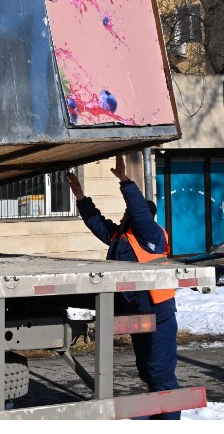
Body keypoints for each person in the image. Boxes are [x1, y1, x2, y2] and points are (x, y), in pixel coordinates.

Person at [76, 153, 181, 419]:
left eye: (128, 213)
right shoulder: (122, 237)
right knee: (147, 371)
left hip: (158, 315)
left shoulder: (151, 235)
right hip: (139, 314)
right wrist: (80, 198)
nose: (124, 216)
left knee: (160, 375)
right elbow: (97, 223)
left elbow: (137, 211)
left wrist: (125, 181)